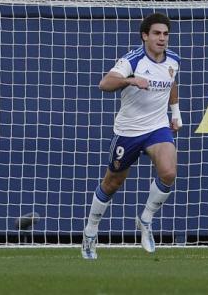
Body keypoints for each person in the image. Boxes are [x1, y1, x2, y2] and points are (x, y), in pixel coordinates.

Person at [81, 13, 182, 260]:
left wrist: (175, 113)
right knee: (112, 183)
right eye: (157, 33)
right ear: (145, 36)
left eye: (165, 34)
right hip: (128, 132)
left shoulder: (174, 61)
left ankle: (145, 219)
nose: (162, 38)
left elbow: (171, 84)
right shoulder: (132, 60)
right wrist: (131, 80)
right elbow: (104, 83)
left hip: (158, 128)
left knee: (169, 172)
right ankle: (90, 231)